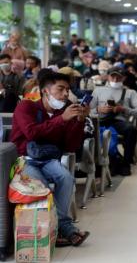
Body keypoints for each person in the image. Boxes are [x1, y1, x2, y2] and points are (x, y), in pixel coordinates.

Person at [10, 68, 90, 247]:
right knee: (41, 186)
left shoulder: (63, 112)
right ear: (45, 90)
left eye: (67, 90)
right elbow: (31, 133)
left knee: (66, 177)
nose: (65, 94)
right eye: (60, 89)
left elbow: (70, 146)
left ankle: (61, 227)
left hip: (48, 159)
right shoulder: (26, 107)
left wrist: (79, 121)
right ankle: (62, 230)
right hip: (25, 159)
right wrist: (62, 120)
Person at [90, 67, 137, 174]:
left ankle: (126, 163)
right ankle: (96, 163)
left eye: (118, 77)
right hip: (99, 120)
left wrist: (123, 109)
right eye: (112, 76)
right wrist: (98, 109)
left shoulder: (130, 92)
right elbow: (88, 110)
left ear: (123, 78)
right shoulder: (98, 91)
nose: (115, 80)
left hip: (118, 121)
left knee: (131, 130)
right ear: (108, 77)